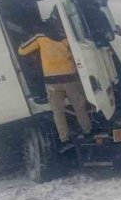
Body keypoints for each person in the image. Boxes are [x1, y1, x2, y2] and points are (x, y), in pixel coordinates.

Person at [18, 18, 92, 146]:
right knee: (79, 106)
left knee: (58, 111)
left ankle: (64, 138)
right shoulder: (66, 35)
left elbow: (22, 51)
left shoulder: (40, 37)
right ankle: (87, 131)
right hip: (69, 78)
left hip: (52, 81)